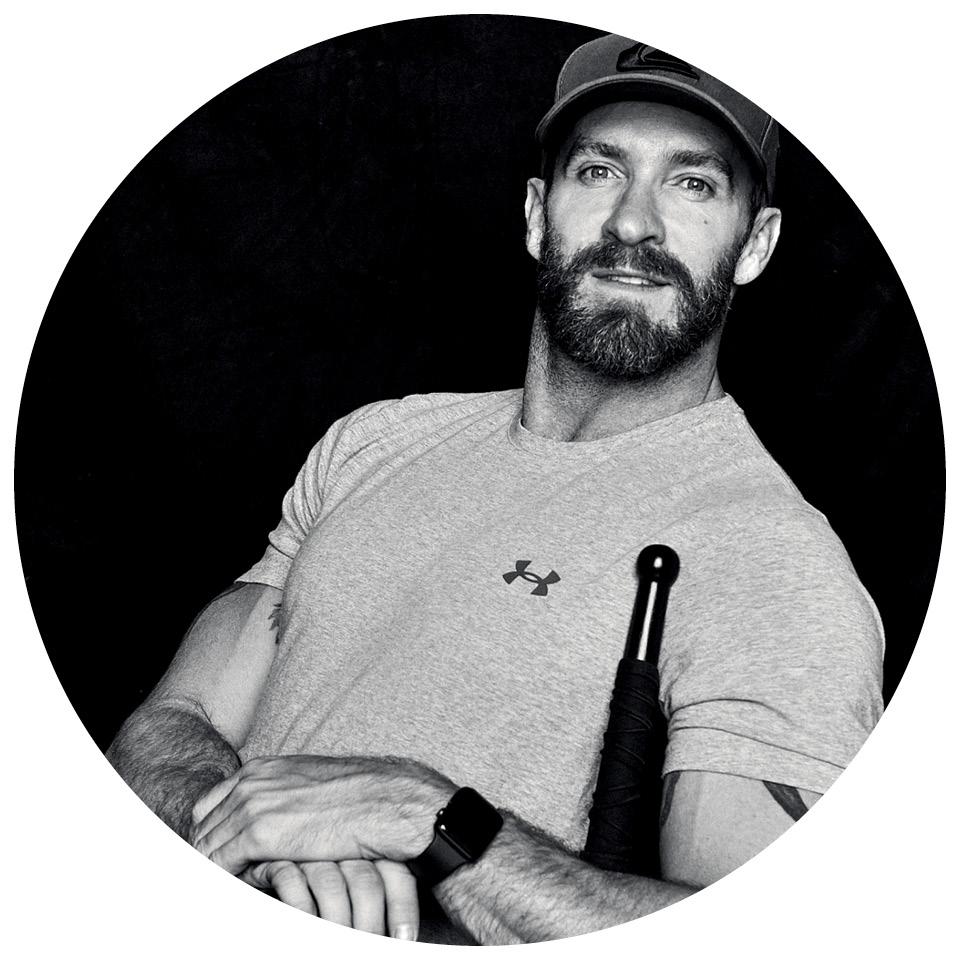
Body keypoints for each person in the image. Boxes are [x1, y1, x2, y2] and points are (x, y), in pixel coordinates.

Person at [107, 34, 884, 945]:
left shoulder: (771, 559)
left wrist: (432, 819)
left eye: (692, 184)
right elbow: (167, 727)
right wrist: (263, 836)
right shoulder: (376, 441)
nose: (633, 223)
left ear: (756, 244)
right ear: (536, 215)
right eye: (599, 171)